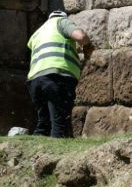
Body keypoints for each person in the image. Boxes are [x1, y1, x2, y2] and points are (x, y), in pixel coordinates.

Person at [27, 10, 93, 138]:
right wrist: (88, 46)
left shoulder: (37, 32)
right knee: (59, 123)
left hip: (34, 81)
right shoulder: (61, 22)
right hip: (56, 77)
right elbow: (81, 37)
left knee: (43, 123)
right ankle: (54, 155)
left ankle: (35, 152)